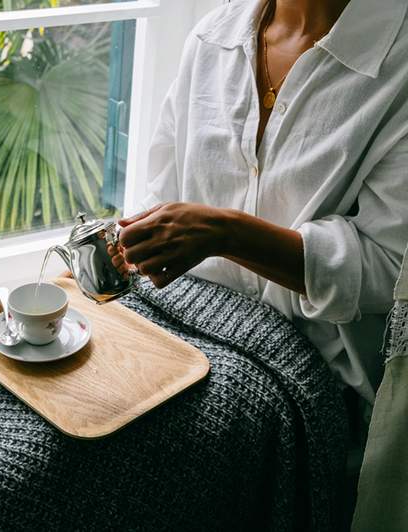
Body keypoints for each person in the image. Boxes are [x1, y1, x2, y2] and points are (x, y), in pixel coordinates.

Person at [113, 0, 408, 404]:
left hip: (312, 376)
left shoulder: (398, 63)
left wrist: (228, 234)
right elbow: (164, 195)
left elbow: (393, 268)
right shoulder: (212, 38)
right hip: (178, 323)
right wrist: (131, 245)